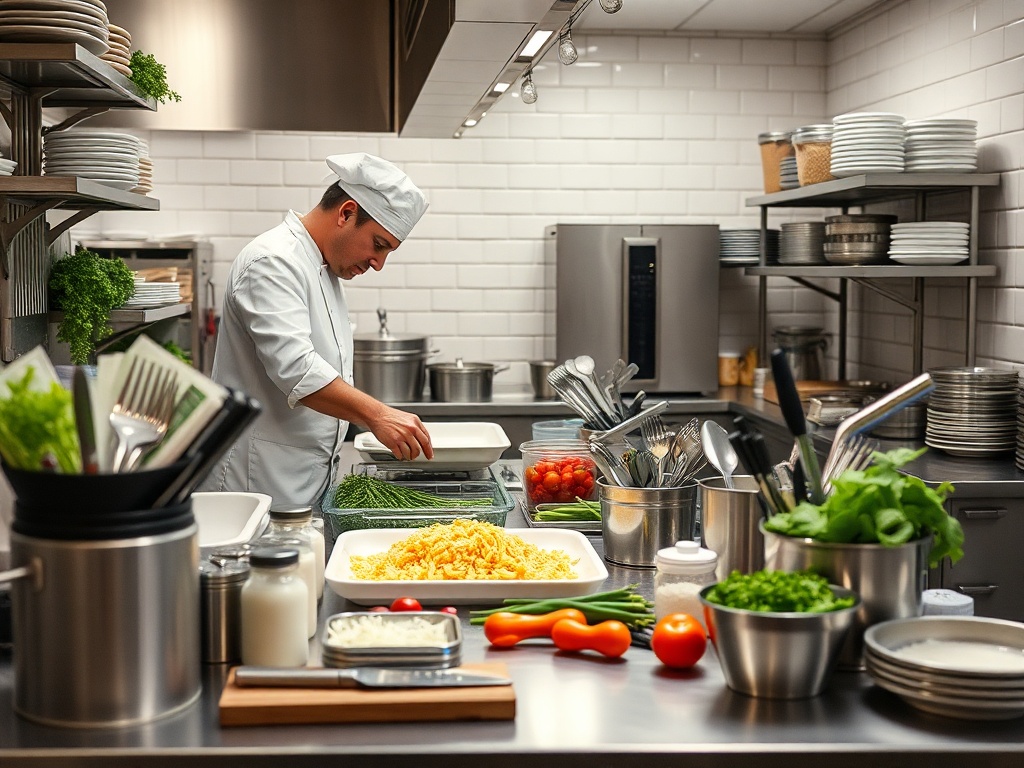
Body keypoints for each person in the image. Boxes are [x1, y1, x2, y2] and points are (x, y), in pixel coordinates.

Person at [200, 153, 433, 507]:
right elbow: (298, 370)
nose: (378, 264)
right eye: (379, 244)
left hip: (297, 481)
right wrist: (378, 415)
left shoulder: (321, 267)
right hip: (256, 483)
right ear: (346, 213)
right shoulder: (273, 261)